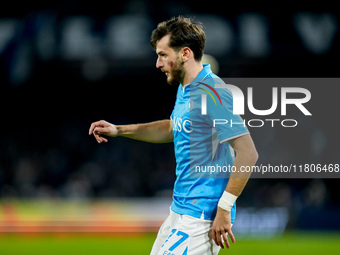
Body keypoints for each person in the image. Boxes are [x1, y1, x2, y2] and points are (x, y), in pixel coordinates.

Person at [89, 16, 258, 255]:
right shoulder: (186, 88)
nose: (158, 63)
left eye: (162, 55)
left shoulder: (212, 92)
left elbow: (248, 153)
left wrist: (224, 209)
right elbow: (172, 127)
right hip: (179, 210)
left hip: (202, 215)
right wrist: (119, 130)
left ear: (185, 53)